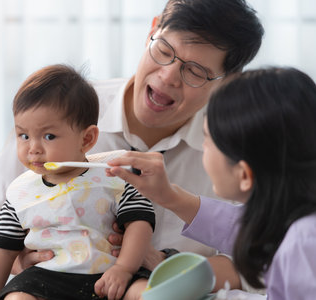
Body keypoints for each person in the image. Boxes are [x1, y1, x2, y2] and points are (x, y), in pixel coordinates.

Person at [0, 0, 264, 291]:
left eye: (195, 71)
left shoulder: (236, 151)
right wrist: (21, 255)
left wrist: (168, 271)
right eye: (164, 50)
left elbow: (261, 260)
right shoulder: (61, 112)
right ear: (152, 30)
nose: (168, 75)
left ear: (227, 82)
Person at [106, 67, 316, 299]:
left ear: (244, 175)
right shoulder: (293, 220)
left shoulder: (303, 244)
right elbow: (252, 231)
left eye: (207, 140)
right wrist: (169, 196)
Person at [0, 64, 155, 300]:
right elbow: (1, 249)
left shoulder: (114, 175)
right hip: (48, 278)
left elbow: (140, 223)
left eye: (49, 136)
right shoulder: (20, 193)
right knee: (17, 298)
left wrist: (124, 268)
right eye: (24, 135)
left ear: (87, 139)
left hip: (108, 272)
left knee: (148, 293)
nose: (33, 149)